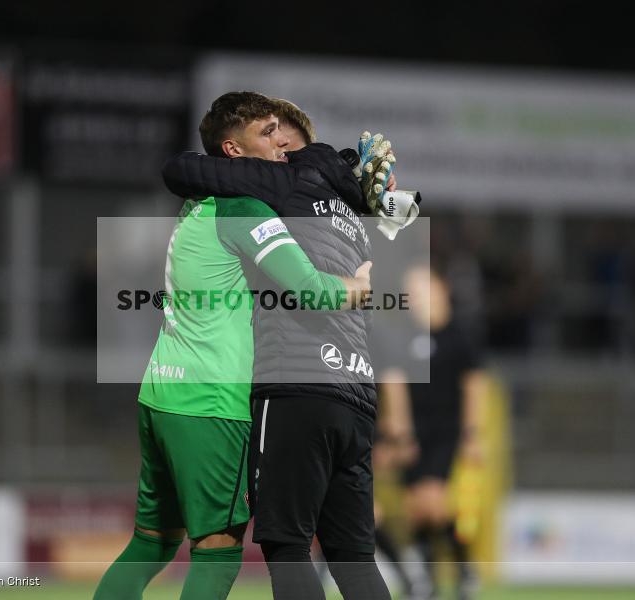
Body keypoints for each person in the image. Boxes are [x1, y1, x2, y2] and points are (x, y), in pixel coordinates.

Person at [93, 92, 372, 600]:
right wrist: (357, 287)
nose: (280, 144)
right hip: (213, 403)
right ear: (233, 149)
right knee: (218, 555)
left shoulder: (199, 205)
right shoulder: (243, 209)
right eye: (266, 133)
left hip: (162, 393)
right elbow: (310, 287)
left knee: (149, 547)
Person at [162, 94, 401, 600]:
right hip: (356, 393)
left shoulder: (284, 181)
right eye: (266, 137)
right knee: (355, 559)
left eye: (279, 137)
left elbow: (182, 170)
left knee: (287, 546)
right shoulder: (350, 217)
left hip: (297, 386)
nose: (275, 148)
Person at [377, 262, 487, 600]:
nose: (414, 297)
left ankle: (464, 568)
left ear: (440, 290)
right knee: (416, 509)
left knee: (433, 503)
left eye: (421, 287)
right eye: (410, 290)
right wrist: (397, 435)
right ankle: (431, 582)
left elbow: (474, 385)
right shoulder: (403, 337)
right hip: (415, 433)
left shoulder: (458, 334)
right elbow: (393, 386)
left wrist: (472, 433)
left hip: (445, 432)